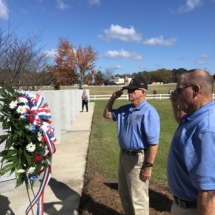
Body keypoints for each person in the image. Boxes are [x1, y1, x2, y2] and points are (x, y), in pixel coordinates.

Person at [103, 77, 160, 215]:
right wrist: (112, 98)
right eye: (129, 90)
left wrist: (148, 166)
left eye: (132, 90)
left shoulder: (149, 112)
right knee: (124, 193)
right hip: (123, 156)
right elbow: (107, 114)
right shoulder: (125, 109)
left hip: (137, 158)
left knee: (138, 197)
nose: (129, 93)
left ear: (142, 92)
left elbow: (153, 142)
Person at [167, 69, 215, 215]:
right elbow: (182, 123)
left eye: (178, 91)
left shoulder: (205, 129)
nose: (175, 95)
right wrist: (176, 104)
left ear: (195, 90)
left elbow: (209, 190)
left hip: (195, 209)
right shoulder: (196, 116)